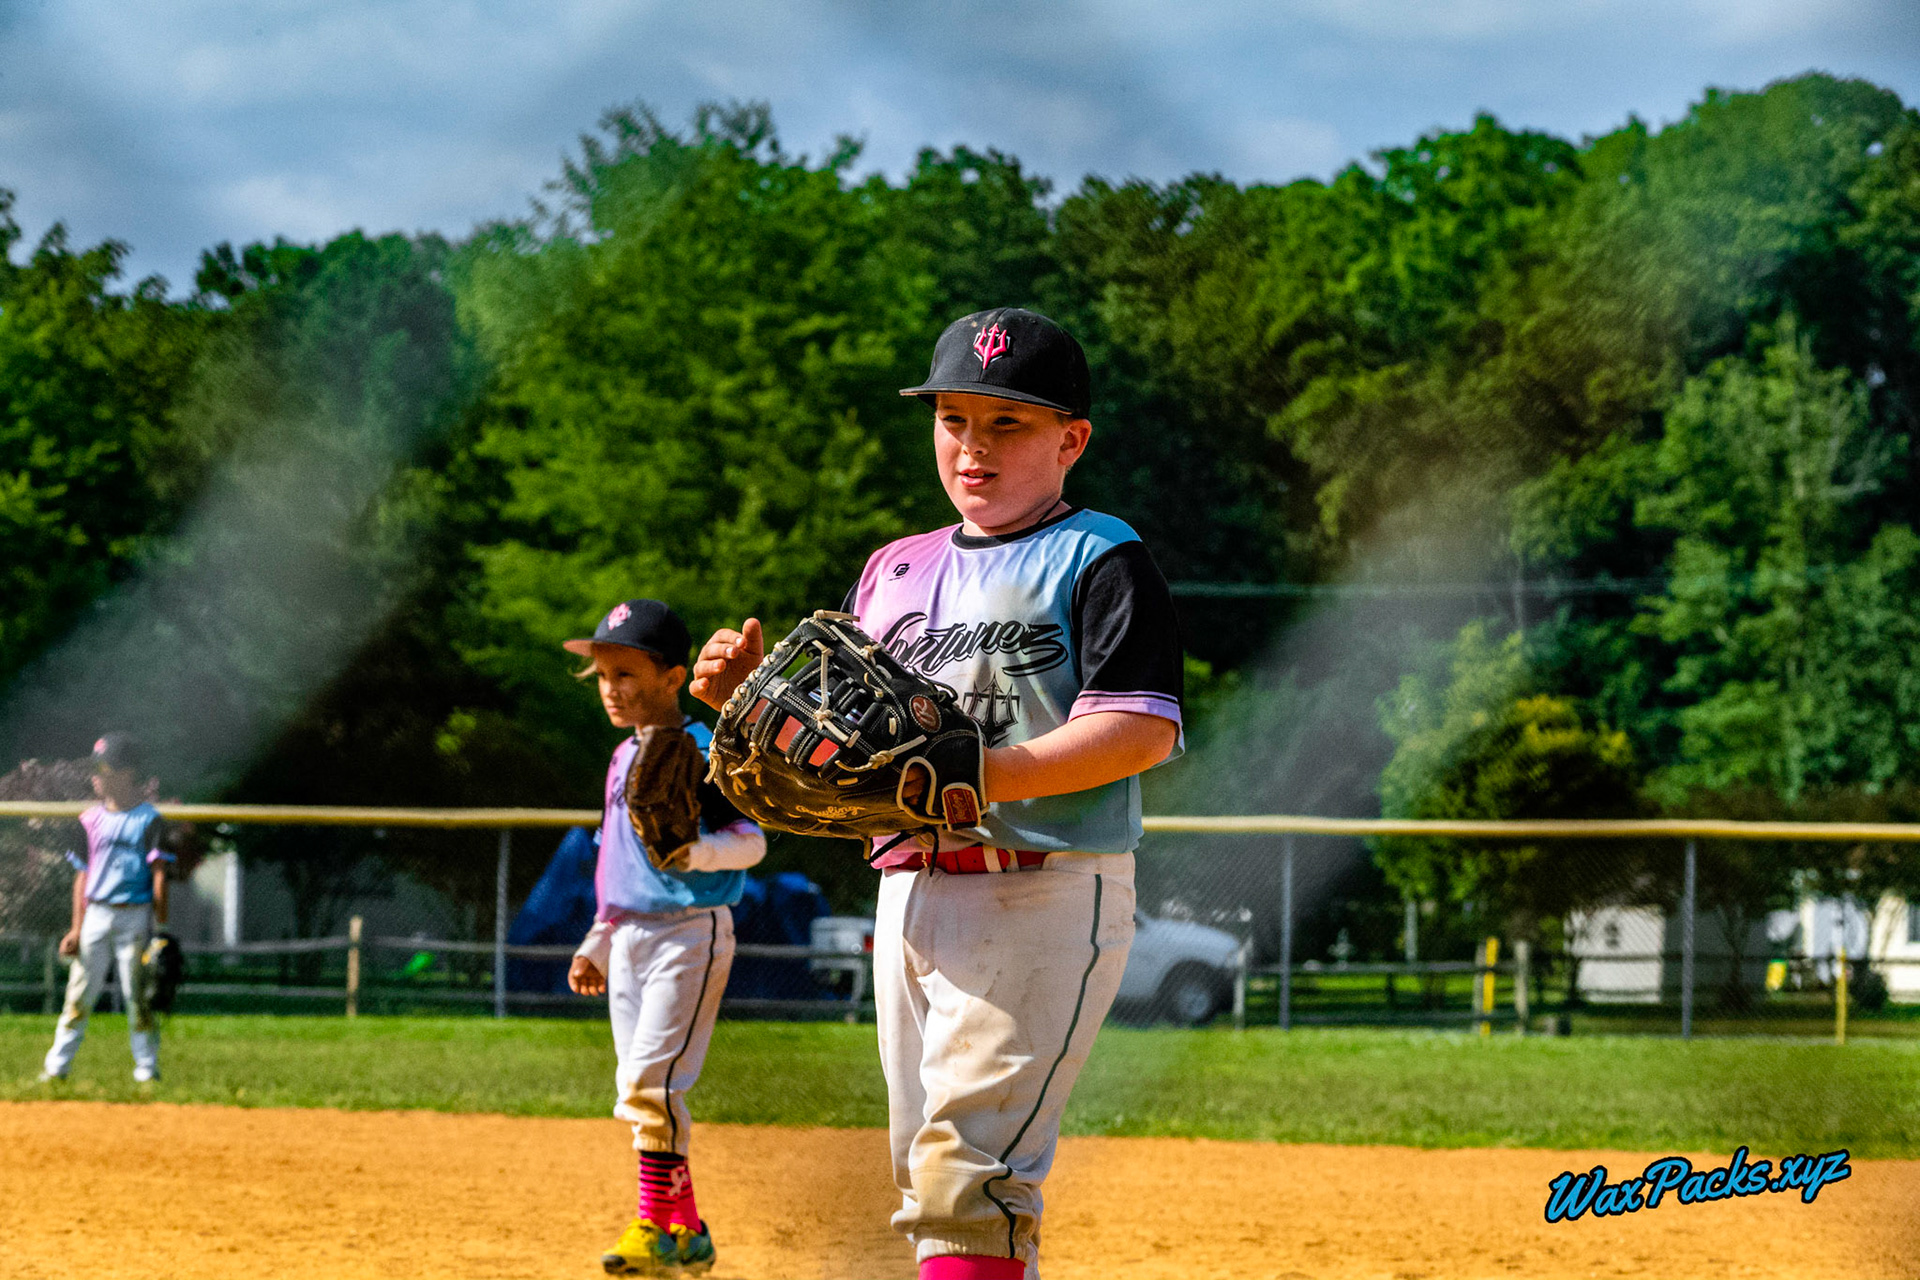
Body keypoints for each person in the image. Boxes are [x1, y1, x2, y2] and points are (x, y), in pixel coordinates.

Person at [691, 308, 1185, 1280]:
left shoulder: (1099, 553)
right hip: (908, 890)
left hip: (1042, 883)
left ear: (1071, 441)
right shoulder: (892, 568)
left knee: (969, 1178)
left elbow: (1141, 725)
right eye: (953, 419)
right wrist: (748, 704)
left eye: (1007, 422)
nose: (972, 445)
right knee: (931, 1176)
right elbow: (847, 758)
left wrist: (983, 774)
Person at [564, 599, 768, 1277]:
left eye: (626, 673)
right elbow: (617, 862)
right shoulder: (623, 755)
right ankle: (686, 1231)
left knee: (649, 1082)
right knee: (643, 1089)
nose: (611, 689)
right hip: (629, 937)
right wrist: (598, 937)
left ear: (674, 677)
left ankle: (654, 1225)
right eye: (603, 676)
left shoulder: (705, 748)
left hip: (689, 931)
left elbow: (752, 843)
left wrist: (697, 853)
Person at [40, 734, 175, 1085]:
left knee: (138, 995)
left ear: (127, 773)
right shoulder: (88, 820)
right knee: (79, 993)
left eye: (104, 769)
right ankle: (57, 1067)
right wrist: (75, 928)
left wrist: (160, 930)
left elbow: (160, 876)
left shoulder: (150, 819)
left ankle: (146, 1068)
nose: (95, 777)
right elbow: (82, 878)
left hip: (136, 915)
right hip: (96, 914)